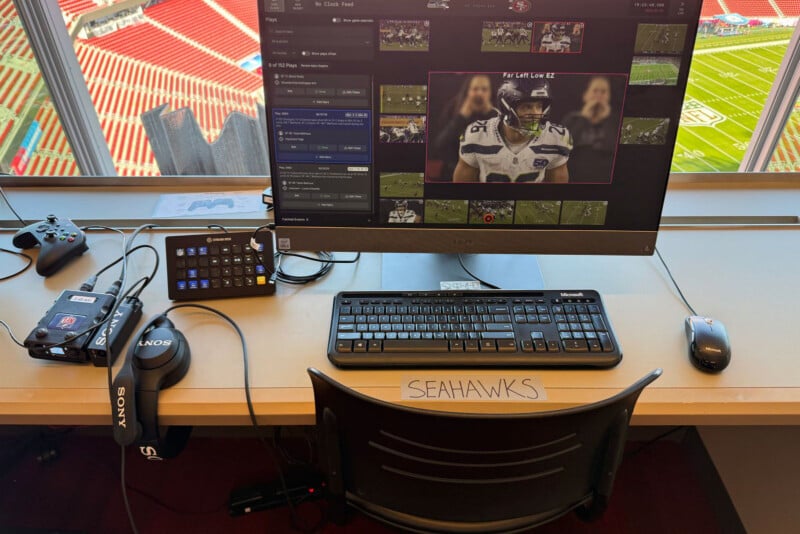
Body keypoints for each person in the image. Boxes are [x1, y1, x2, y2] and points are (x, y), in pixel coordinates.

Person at [453, 78, 572, 183]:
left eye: (539, 106)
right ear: (507, 109)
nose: (536, 113)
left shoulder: (555, 139)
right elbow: (461, 193)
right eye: (527, 107)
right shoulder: (477, 136)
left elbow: (556, 196)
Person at [430, 74, 498, 181]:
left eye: (484, 89)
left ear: (490, 93)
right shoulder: (453, 109)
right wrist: (461, 116)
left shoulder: (497, 113)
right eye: (475, 89)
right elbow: (439, 146)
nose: (479, 93)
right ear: (468, 92)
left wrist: (490, 114)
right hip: (454, 171)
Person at [561, 76, 618, 182]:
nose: (599, 95)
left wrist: (606, 118)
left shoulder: (614, 120)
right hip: (575, 177)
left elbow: (613, 149)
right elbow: (564, 148)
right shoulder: (572, 118)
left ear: (609, 96)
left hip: (604, 179)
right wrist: (584, 117)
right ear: (585, 95)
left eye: (603, 92)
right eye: (595, 91)